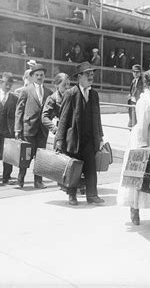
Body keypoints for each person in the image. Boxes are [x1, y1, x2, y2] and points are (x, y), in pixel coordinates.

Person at [117, 69, 150, 225]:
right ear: (148, 84)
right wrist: (143, 148)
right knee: (140, 175)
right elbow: (142, 127)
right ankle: (135, 209)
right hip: (145, 139)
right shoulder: (144, 101)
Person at [56, 61, 105, 206]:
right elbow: (63, 119)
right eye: (87, 74)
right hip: (74, 139)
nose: (91, 76)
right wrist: (59, 140)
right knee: (73, 168)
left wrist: (100, 137)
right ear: (79, 77)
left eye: (92, 74)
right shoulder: (71, 94)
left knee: (91, 167)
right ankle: (72, 195)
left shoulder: (94, 94)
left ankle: (92, 195)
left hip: (89, 139)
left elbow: (97, 118)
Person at [14, 63, 52, 189]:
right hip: (28, 129)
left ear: (44, 76)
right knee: (26, 156)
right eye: (37, 75)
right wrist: (17, 128)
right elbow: (19, 111)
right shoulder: (26, 91)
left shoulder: (49, 92)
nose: (39, 77)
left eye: (41, 75)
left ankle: (38, 181)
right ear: (32, 76)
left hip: (42, 130)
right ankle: (20, 179)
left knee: (40, 157)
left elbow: (52, 111)